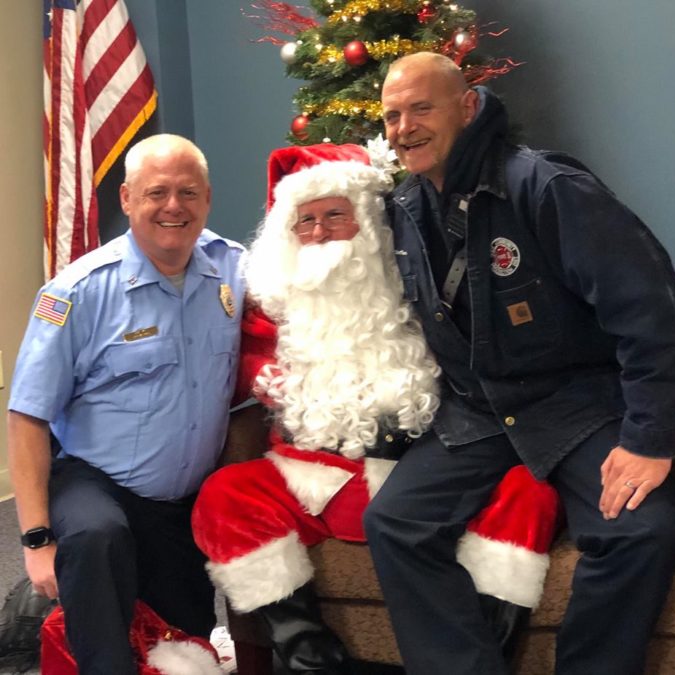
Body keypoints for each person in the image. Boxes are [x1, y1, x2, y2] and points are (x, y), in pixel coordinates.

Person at [362, 51, 675, 675]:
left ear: (467, 107)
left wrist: (649, 440)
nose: (404, 128)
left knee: (642, 532)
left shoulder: (545, 186)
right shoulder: (404, 207)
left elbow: (654, 311)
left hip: (577, 405)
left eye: (421, 108)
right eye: (392, 116)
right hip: (478, 412)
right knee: (393, 522)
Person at [191, 143, 560, 675]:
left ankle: (477, 657)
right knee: (225, 495)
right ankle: (312, 659)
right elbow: (239, 365)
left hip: (423, 478)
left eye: (335, 215)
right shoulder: (274, 308)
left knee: (530, 491)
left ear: (368, 223)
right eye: (305, 221)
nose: (319, 232)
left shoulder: (422, 290)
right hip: (311, 478)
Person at [7, 134, 245, 674]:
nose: (173, 206)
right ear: (127, 198)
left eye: (188, 192)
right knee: (98, 541)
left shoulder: (233, 270)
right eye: (156, 192)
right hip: (93, 480)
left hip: (181, 499)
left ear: (207, 198)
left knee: (182, 644)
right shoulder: (78, 291)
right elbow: (26, 415)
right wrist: (37, 541)